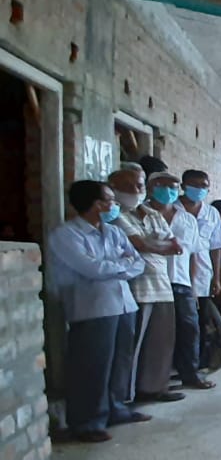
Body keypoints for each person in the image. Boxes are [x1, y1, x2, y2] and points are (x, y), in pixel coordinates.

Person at [47, 181, 152, 442]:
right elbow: (90, 268)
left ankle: (116, 409)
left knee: (120, 361)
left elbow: (138, 262)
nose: (114, 205)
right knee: (91, 366)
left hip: (124, 303)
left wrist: (114, 267)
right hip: (93, 308)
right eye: (110, 200)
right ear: (97, 205)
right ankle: (87, 422)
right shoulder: (66, 235)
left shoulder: (113, 232)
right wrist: (120, 266)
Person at [110, 165, 185, 403]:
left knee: (161, 341)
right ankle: (127, 395)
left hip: (161, 284)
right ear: (114, 188)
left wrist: (152, 245)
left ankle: (154, 387)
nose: (135, 190)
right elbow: (140, 245)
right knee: (134, 345)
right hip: (136, 288)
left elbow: (176, 246)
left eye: (138, 185)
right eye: (127, 185)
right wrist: (155, 245)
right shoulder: (117, 215)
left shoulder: (153, 214)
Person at [145, 171, 212, 391]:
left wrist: (193, 287)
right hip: (150, 282)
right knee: (157, 334)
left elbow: (193, 254)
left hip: (180, 281)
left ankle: (190, 374)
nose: (169, 192)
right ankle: (155, 382)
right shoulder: (141, 214)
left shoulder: (187, 219)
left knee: (190, 328)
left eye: (172, 188)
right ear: (151, 187)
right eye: (163, 187)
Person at [180, 170, 221, 374]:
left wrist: (216, 278)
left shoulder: (211, 213)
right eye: (194, 185)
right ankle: (182, 365)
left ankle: (198, 363)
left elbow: (216, 246)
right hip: (177, 274)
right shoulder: (173, 210)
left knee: (200, 322)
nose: (199, 189)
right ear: (183, 186)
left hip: (203, 275)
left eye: (204, 186)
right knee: (182, 323)